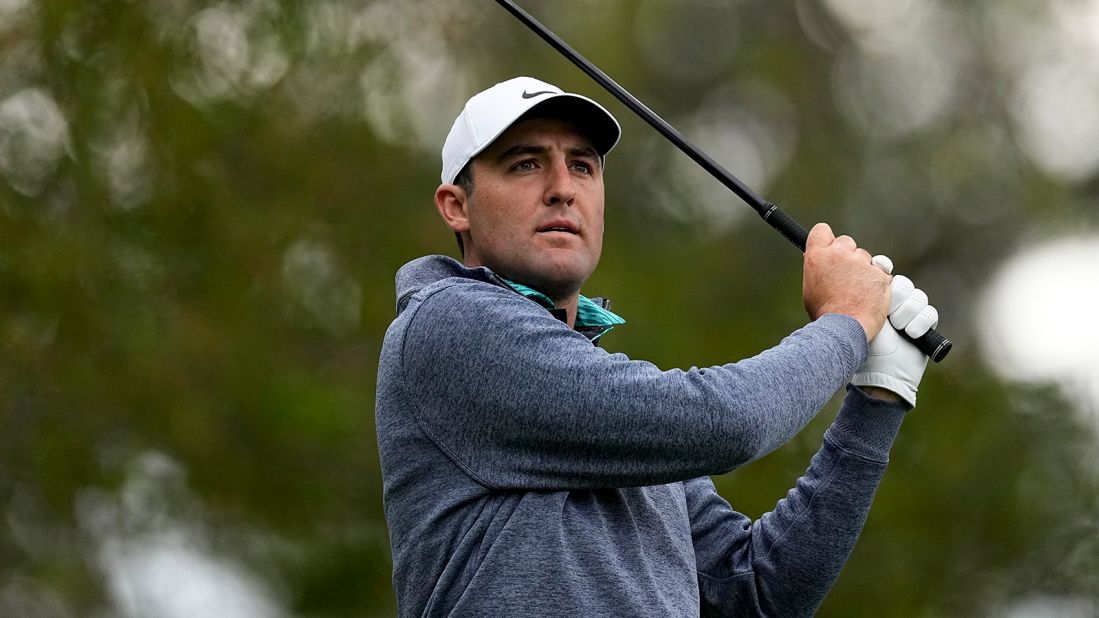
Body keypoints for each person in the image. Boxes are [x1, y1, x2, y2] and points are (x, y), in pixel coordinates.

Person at [375, 76, 939, 617]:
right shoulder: (449, 323)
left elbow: (758, 594)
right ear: (457, 206)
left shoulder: (604, 396)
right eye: (525, 164)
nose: (563, 189)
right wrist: (844, 322)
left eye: (583, 166)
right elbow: (728, 421)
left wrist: (877, 396)